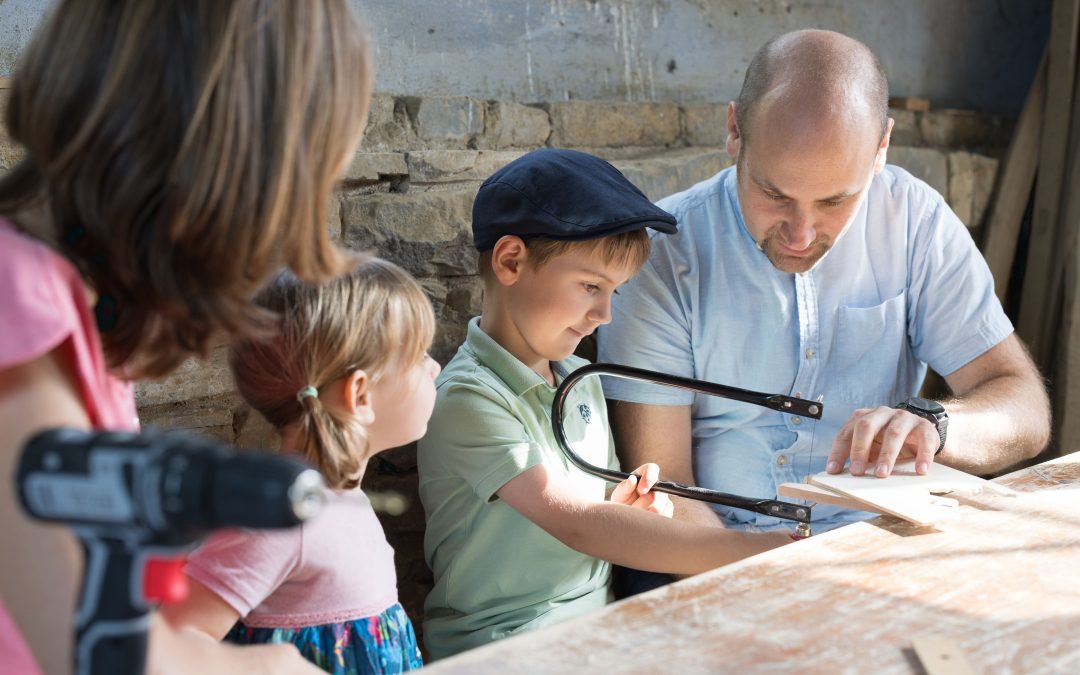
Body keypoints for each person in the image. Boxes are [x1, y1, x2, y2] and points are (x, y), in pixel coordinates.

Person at [0, 1, 373, 673]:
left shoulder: (70, 314)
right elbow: (91, 651)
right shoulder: (15, 302)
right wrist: (267, 667)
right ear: (225, 170)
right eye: (292, 195)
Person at [597, 29, 1051, 538]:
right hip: (715, 555)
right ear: (734, 131)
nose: (801, 234)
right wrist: (791, 574)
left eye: (835, 201)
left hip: (877, 542)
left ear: (881, 149)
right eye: (774, 193)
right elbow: (666, 493)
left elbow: (1024, 409)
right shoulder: (663, 254)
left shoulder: (914, 221)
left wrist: (938, 426)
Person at [416, 148, 792, 660]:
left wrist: (625, 510)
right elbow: (576, 524)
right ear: (510, 261)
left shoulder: (581, 381)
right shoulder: (467, 398)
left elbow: (596, 515)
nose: (604, 314)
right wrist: (766, 554)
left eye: (614, 291)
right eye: (591, 285)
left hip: (598, 628)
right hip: (503, 645)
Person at [162, 258, 437, 674]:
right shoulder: (283, 518)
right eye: (419, 357)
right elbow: (173, 638)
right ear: (359, 395)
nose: (434, 367)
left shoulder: (341, 497)